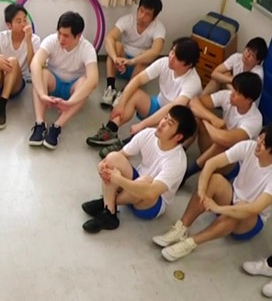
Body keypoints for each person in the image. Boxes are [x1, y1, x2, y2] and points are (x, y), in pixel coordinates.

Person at [152, 126, 272, 262]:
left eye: (264, 143)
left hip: (249, 221)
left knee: (240, 209)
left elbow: (254, 208)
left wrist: (218, 208)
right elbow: (211, 163)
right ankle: (181, 228)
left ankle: (191, 243)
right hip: (233, 197)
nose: (258, 143)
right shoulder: (249, 146)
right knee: (215, 179)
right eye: (260, 137)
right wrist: (202, 190)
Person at [81, 105, 196, 233]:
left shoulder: (177, 161)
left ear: (178, 137)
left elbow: (151, 192)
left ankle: (107, 202)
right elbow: (121, 155)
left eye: (169, 123)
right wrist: (103, 165)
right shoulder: (148, 134)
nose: (162, 123)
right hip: (134, 184)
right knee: (113, 158)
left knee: (146, 181)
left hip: (150, 204)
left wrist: (118, 180)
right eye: (165, 117)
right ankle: (109, 212)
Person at [86, 37, 202, 157]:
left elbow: (172, 109)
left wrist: (143, 125)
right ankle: (111, 130)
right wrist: (121, 104)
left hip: (175, 122)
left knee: (157, 127)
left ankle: (125, 144)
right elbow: (138, 80)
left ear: (189, 64)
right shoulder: (164, 62)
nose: (171, 58)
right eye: (172, 52)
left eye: (177, 58)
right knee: (134, 94)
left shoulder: (193, 83)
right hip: (159, 105)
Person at [28, 11, 98, 149]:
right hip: (54, 83)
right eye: (59, 33)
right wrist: (42, 94)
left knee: (86, 84)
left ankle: (57, 126)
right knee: (41, 73)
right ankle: (40, 124)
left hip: (73, 88)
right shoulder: (51, 40)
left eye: (66, 36)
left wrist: (70, 103)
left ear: (78, 36)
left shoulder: (87, 48)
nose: (61, 39)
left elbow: (93, 79)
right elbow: (35, 64)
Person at [183, 72, 263, 183]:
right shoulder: (227, 96)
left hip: (232, 163)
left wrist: (206, 120)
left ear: (249, 99)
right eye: (233, 89)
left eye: (237, 93)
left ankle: (189, 172)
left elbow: (225, 139)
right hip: (213, 146)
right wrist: (211, 118)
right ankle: (182, 148)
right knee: (198, 115)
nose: (232, 94)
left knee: (222, 143)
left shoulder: (254, 119)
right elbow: (193, 102)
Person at [0, 4, 40, 129]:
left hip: (16, 85)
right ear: (9, 25)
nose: (23, 24)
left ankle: (1, 106)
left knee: (13, 61)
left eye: (25, 20)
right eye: (19, 21)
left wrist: (28, 42)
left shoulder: (34, 39)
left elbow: (33, 68)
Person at [101, 0, 165, 106]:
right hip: (120, 64)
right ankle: (110, 87)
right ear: (138, 9)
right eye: (141, 11)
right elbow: (109, 38)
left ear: (154, 17)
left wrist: (132, 61)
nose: (142, 16)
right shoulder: (127, 20)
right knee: (116, 46)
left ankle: (125, 92)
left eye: (147, 14)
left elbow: (156, 51)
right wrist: (115, 58)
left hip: (138, 67)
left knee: (146, 56)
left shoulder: (159, 28)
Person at [203, 36, 267, 97]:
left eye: (252, 55)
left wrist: (228, 79)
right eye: (248, 50)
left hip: (242, 101)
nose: (247, 55)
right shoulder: (237, 57)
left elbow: (242, 96)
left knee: (224, 75)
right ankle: (200, 99)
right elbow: (214, 74)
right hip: (234, 91)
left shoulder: (257, 74)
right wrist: (232, 79)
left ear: (258, 61)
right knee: (219, 77)